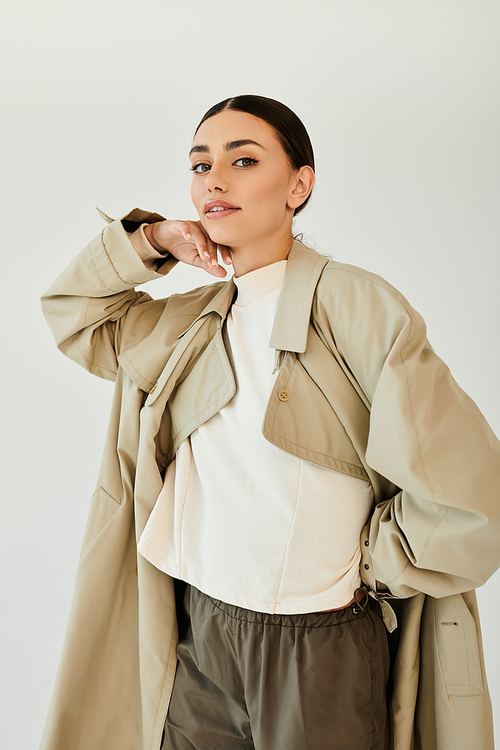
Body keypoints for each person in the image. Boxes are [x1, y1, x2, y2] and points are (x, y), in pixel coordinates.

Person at [40, 95, 500, 750]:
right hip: (193, 636)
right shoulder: (187, 322)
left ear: (299, 185)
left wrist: (372, 561)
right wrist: (154, 239)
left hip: (318, 645)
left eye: (243, 160)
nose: (214, 181)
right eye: (200, 165)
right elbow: (74, 315)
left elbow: (475, 496)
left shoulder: (357, 306)